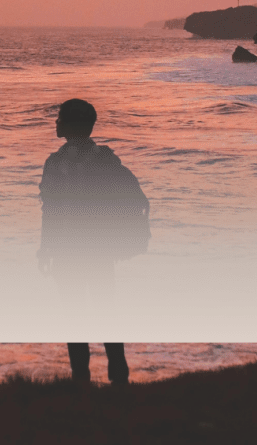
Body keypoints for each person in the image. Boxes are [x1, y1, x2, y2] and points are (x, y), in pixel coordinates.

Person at [37, 97, 150, 385]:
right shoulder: (104, 157)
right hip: (99, 250)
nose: (56, 121)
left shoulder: (56, 162)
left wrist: (45, 248)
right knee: (106, 310)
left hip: (66, 251)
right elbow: (127, 198)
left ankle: (81, 380)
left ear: (71, 125)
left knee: (73, 314)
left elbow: (50, 210)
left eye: (60, 117)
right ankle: (119, 377)